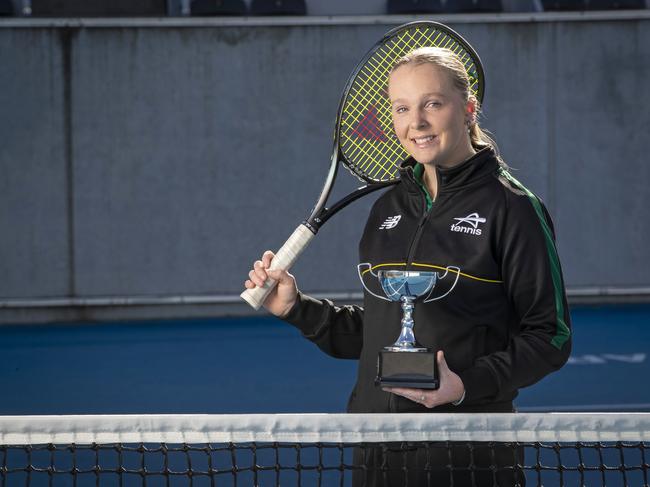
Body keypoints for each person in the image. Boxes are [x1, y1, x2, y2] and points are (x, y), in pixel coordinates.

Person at [244, 46, 572, 486]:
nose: (415, 122)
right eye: (401, 108)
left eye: (432, 104)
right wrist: (296, 308)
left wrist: (465, 385)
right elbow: (383, 331)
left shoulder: (513, 208)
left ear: (469, 109)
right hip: (376, 447)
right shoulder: (387, 208)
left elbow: (550, 336)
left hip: (466, 452)